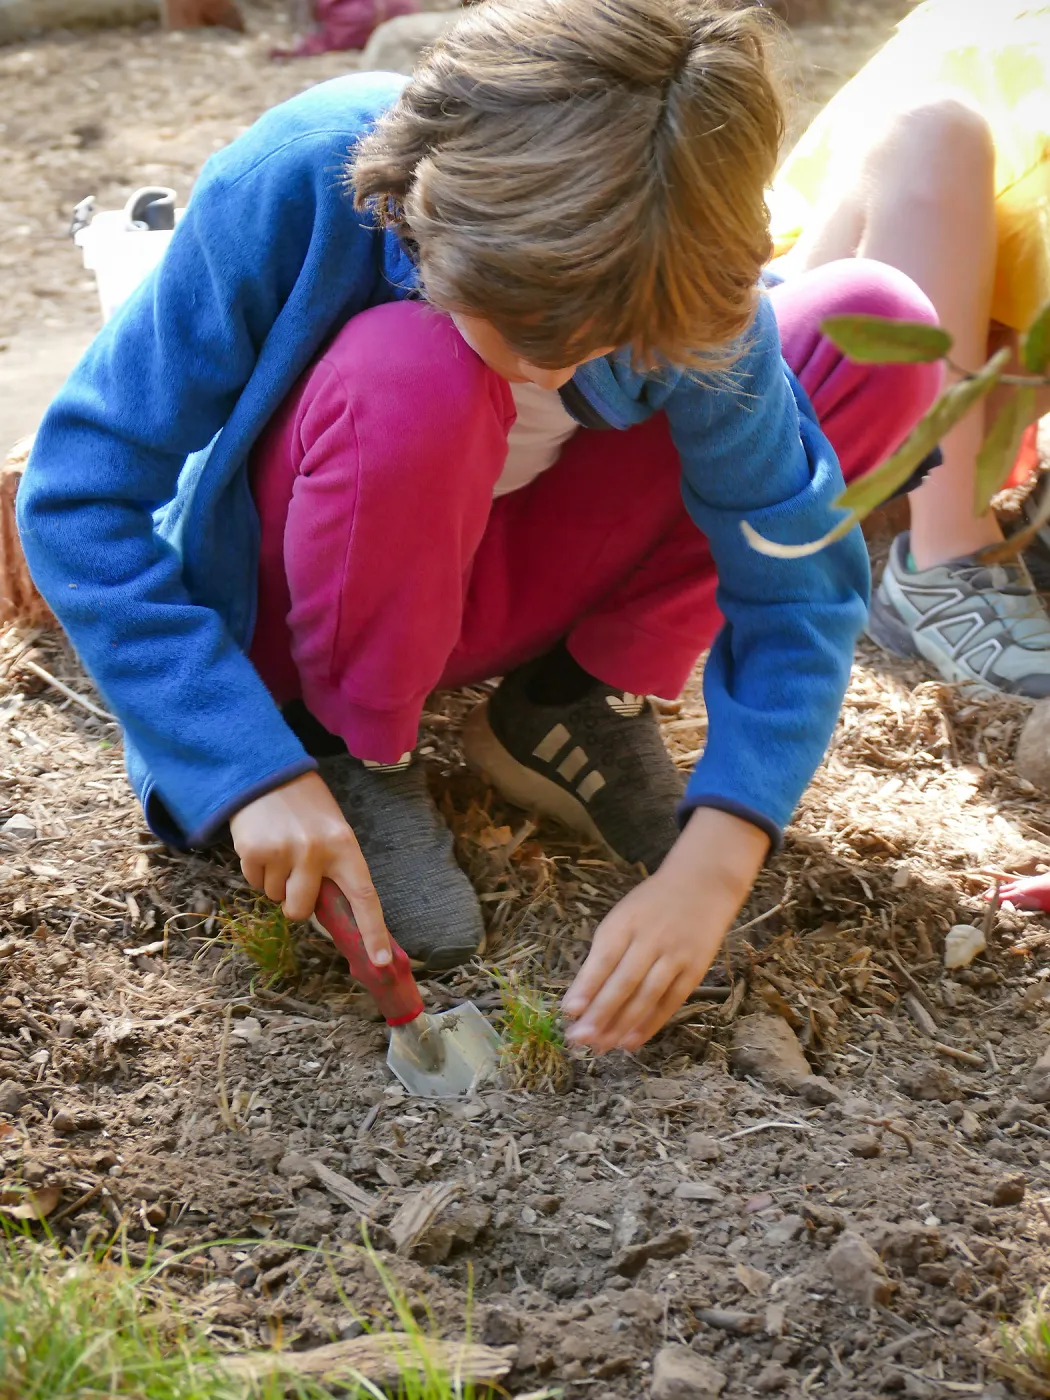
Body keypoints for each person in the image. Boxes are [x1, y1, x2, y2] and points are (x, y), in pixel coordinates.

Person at [18, 0, 941, 1054]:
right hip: (320, 577)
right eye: (529, 326)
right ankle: (351, 740)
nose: (554, 370)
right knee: (422, 374)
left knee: (875, 324)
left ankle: (566, 701)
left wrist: (716, 856)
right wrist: (249, 765)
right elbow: (79, 493)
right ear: (431, 209)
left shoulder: (667, 258)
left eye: (603, 339)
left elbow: (796, 577)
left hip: (501, 579)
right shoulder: (304, 178)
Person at [770, 0, 1050, 699]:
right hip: (803, 372)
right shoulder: (1012, 43)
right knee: (936, 134)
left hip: (933, 420)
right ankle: (946, 555)